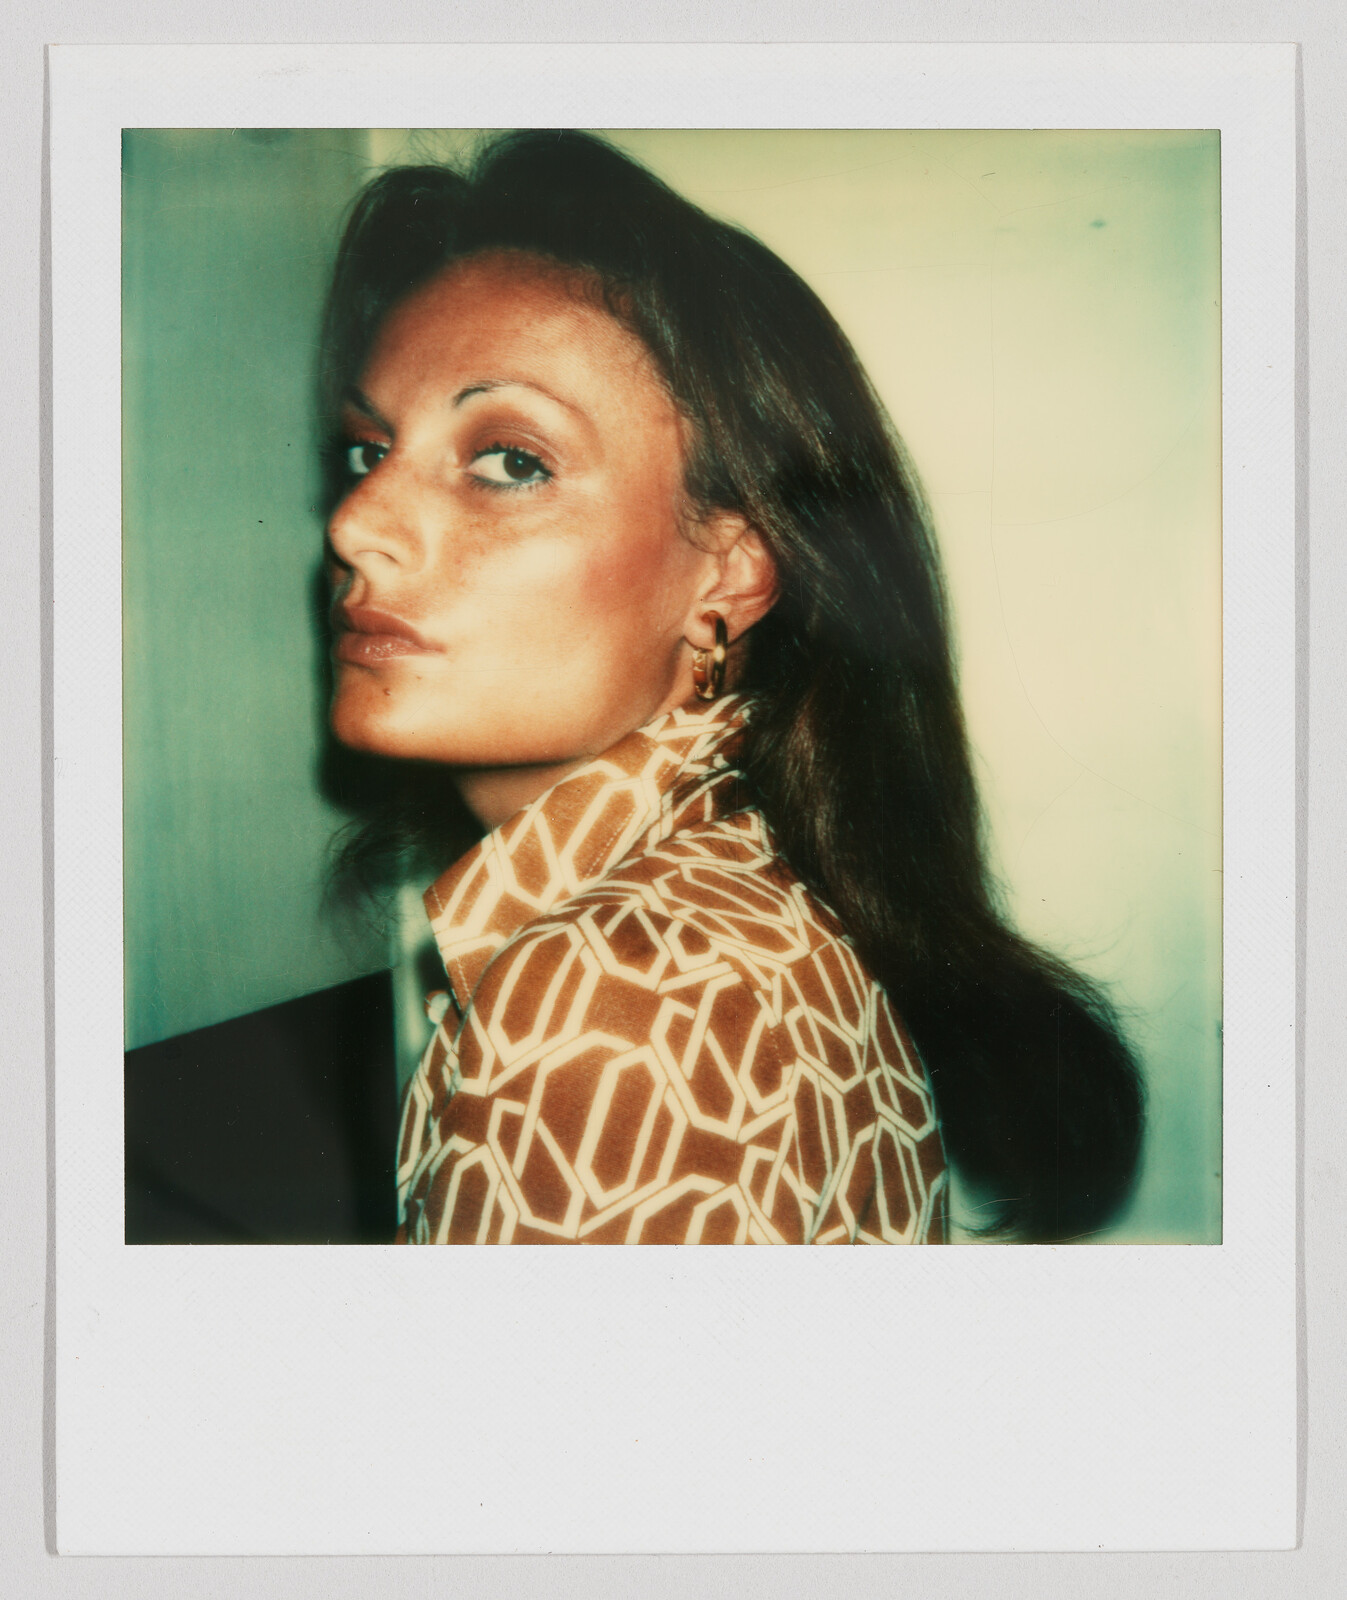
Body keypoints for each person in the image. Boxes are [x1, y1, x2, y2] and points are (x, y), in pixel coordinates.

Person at [318, 130, 1144, 1245]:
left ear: (730, 572)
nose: (355, 524)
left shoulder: (611, 1001)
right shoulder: (732, 902)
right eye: (368, 451)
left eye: (510, 460)